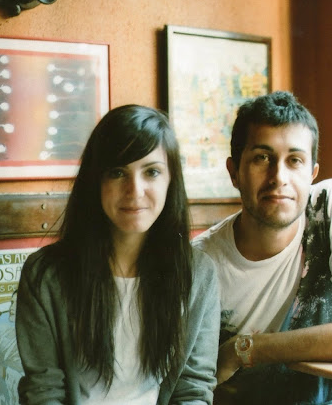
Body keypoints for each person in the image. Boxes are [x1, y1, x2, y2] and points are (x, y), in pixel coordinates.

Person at [16, 105, 220, 404]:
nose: (134, 190)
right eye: (117, 172)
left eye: (151, 172)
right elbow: (43, 391)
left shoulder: (198, 274)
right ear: (95, 181)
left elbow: (193, 388)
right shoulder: (45, 275)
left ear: (170, 180)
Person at [192, 91, 332, 405]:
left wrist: (244, 349)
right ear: (234, 172)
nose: (278, 177)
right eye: (262, 158)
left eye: (295, 160)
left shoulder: (328, 204)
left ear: (312, 174)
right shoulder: (201, 261)